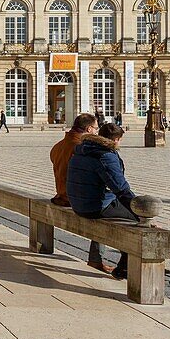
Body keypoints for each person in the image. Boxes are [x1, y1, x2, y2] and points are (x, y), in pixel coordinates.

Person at [66, 122, 135, 280]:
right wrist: (139, 210)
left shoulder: (83, 149)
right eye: (120, 140)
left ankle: (97, 259)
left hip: (78, 203)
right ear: (116, 139)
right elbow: (120, 188)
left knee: (121, 212)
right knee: (134, 221)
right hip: (93, 206)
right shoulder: (105, 155)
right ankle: (124, 267)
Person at [49, 112, 110, 273]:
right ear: (89, 129)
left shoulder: (59, 145)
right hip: (73, 198)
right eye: (96, 129)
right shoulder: (81, 148)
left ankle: (97, 260)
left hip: (61, 195)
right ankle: (97, 260)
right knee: (107, 209)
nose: (98, 132)